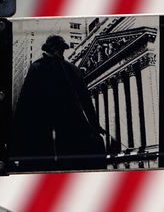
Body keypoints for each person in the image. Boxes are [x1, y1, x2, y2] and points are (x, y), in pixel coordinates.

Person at [10, 35, 106, 171]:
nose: (59, 52)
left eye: (61, 49)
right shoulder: (69, 69)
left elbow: (24, 105)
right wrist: (95, 125)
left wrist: (95, 125)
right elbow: (86, 101)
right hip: (59, 129)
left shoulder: (39, 67)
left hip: (54, 130)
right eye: (59, 49)